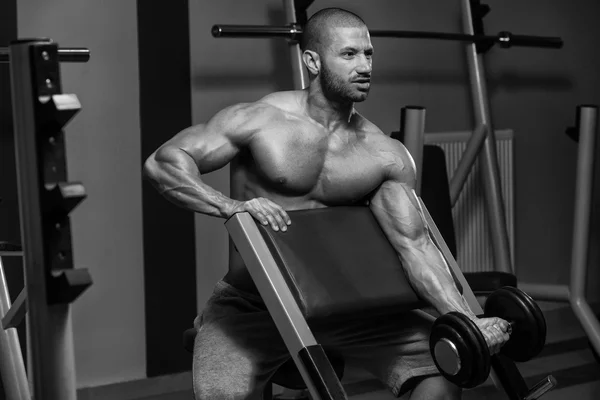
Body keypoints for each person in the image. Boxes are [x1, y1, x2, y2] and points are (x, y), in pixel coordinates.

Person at [143, 7, 510, 400]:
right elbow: (164, 163)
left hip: (351, 305)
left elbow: (416, 247)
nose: (365, 65)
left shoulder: (383, 154)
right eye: (349, 54)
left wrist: (467, 322)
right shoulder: (259, 121)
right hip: (254, 309)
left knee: (444, 373)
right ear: (313, 61)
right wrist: (229, 206)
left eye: (369, 54)